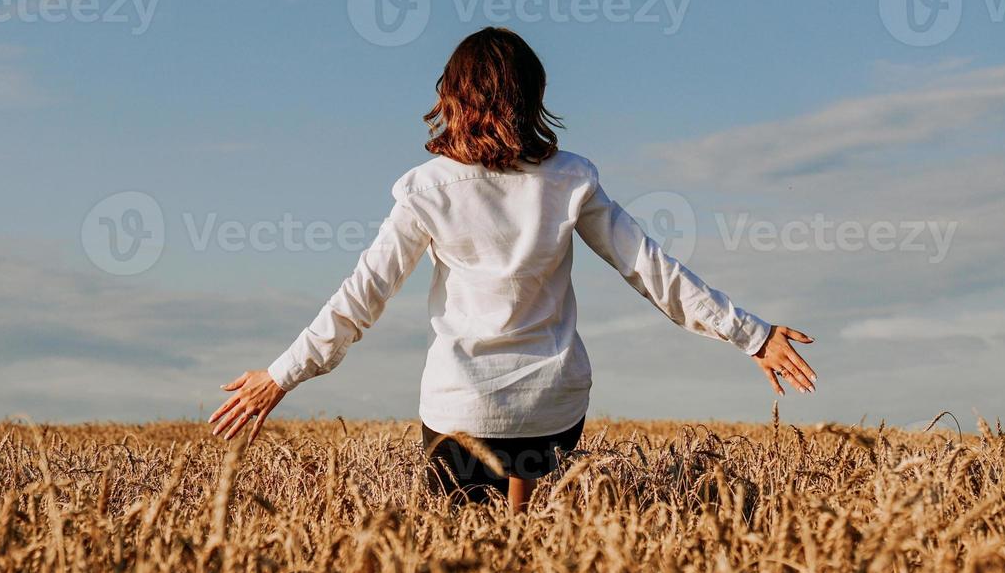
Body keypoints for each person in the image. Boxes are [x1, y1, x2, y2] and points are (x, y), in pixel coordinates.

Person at [209, 27, 817, 511]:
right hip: (552, 408)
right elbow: (650, 269)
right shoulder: (570, 178)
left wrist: (281, 375)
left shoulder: (428, 189)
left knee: (470, 568)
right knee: (531, 550)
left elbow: (361, 296)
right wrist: (752, 335)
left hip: (461, 412)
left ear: (452, 97)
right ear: (532, 97)